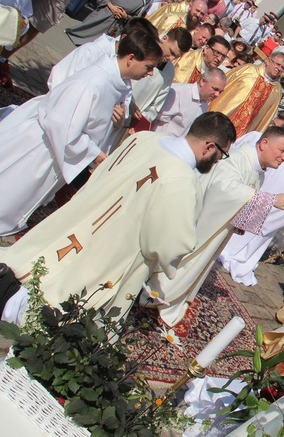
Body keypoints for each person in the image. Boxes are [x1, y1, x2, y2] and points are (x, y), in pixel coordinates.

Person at [0, 112, 237, 325]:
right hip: (109, 252)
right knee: (70, 300)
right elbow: (171, 245)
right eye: (222, 153)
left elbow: (105, 172)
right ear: (209, 147)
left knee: (44, 260)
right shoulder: (183, 182)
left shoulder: (144, 138)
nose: (218, 160)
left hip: (82, 217)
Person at [0, 31, 162, 236]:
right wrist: (96, 155)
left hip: (58, 154)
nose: (150, 74)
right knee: (8, 195)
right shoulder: (94, 81)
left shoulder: (120, 84)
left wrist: (116, 125)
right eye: (149, 67)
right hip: (40, 150)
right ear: (131, 58)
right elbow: (62, 126)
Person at [145, 126, 284, 326]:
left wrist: (241, 219)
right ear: (264, 143)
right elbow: (224, 189)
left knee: (199, 263)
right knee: (187, 260)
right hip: (202, 223)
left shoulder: (257, 169)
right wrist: (270, 200)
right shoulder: (238, 158)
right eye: (282, 151)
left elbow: (241, 195)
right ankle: (157, 292)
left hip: (218, 227)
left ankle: (173, 295)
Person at [219, 145, 284, 286]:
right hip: (254, 207)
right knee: (229, 242)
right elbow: (264, 181)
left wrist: (266, 219)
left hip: (270, 220)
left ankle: (240, 261)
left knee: (246, 251)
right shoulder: (283, 167)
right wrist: (257, 204)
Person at [208, 46, 284, 137]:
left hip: (239, 134)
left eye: (282, 67)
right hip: (218, 117)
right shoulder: (248, 70)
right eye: (277, 64)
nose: (279, 68)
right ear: (268, 61)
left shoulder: (277, 91)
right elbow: (225, 82)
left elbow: (266, 118)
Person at [65, 0, 153, 46]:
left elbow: (137, 18)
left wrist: (126, 16)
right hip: (103, 16)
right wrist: (112, 7)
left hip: (116, 25)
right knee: (85, 33)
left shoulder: (142, 1)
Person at [152, 68, 227, 137]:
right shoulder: (178, 92)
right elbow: (154, 118)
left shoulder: (204, 103)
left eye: (220, 92)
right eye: (215, 89)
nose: (217, 94)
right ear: (203, 81)